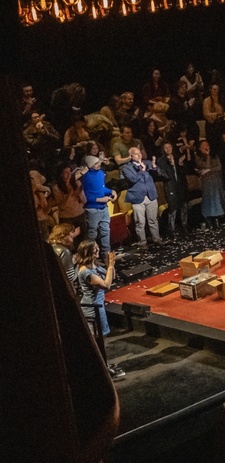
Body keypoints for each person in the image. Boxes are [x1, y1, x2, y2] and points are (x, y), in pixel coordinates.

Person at [75, 241, 124, 381]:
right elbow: (106, 285)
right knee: (98, 340)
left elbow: (110, 277)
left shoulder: (94, 266)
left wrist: (110, 265)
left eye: (97, 248)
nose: (97, 250)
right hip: (92, 308)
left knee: (102, 338)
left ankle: (104, 365)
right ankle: (102, 369)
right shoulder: (85, 272)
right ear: (88, 252)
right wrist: (111, 265)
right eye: (95, 249)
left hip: (99, 306)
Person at [121, 146, 163, 249]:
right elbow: (132, 179)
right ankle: (142, 242)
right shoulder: (126, 168)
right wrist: (142, 171)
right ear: (131, 156)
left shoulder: (147, 162)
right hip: (137, 197)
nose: (139, 155)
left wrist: (155, 167)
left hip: (150, 195)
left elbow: (157, 174)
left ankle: (157, 239)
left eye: (139, 153)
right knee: (140, 222)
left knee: (153, 220)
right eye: (136, 154)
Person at [80, 155, 116, 256]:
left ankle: (106, 255)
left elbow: (101, 188)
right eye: (96, 163)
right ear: (90, 165)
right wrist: (100, 199)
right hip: (92, 209)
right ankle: (89, 257)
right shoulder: (85, 176)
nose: (99, 164)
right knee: (92, 234)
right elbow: (85, 195)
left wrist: (111, 191)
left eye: (98, 162)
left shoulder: (100, 173)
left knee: (106, 231)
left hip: (103, 207)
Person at [156, 140, 191, 237]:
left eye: (169, 147)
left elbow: (184, 171)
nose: (168, 149)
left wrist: (180, 164)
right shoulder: (161, 160)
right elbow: (164, 175)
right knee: (173, 208)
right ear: (163, 149)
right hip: (170, 186)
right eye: (166, 148)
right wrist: (170, 165)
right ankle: (172, 229)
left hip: (181, 185)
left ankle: (184, 227)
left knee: (184, 206)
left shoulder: (177, 157)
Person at [195, 139, 225, 229]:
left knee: (217, 200)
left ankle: (217, 219)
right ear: (200, 148)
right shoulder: (198, 157)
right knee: (209, 200)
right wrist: (207, 156)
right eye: (204, 145)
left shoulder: (215, 155)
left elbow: (219, 167)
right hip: (207, 182)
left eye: (207, 145)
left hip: (216, 180)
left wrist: (209, 170)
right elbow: (205, 166)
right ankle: (209, 220)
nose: (206, 147)